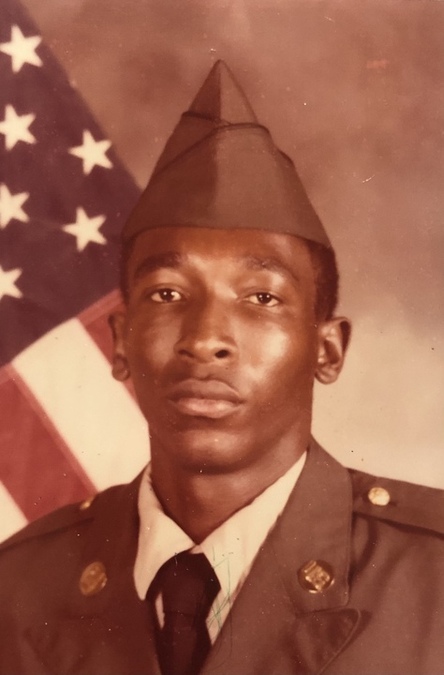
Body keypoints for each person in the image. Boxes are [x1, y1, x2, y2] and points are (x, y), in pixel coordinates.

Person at [0, 60, 443, 675]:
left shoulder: (431, 580)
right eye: (167, 294)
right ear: (121, 343)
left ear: (327, 351)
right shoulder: (17, 589)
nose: (206, 339)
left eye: (261, 297)